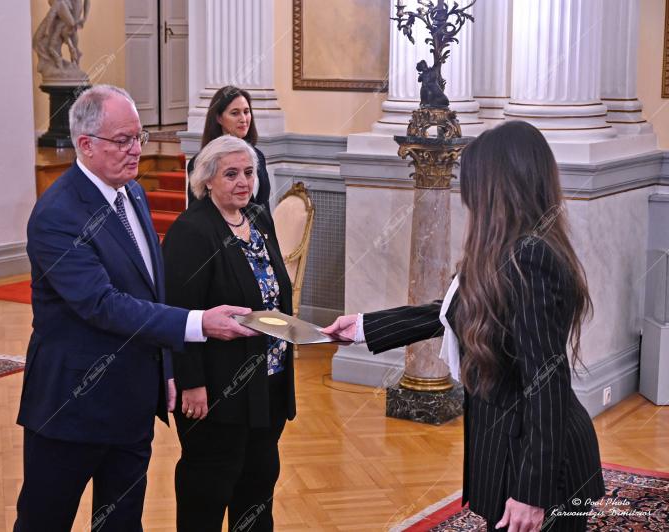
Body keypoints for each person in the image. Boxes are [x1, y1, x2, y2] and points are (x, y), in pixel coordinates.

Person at [323, 121, 605, 532]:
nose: (466, 195)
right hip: (506, 446)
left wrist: (533, 493)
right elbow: (453, 311)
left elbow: (546, 382)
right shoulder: (502, 251)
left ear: (500, 186)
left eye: (472, 182)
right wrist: (365, 327)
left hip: (534, 460)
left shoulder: (530, 260)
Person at [14, 85, 257, 532]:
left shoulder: (133, 194)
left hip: (131, 402)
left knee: (123, 523)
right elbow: (102, 305)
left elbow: (151, 291)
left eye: (139, 137)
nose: (136, 150)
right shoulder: (57, 214)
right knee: (44, 521)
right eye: (122, 140)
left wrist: (165, 368)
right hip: (72, 406)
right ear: (85, 145)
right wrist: (198, 323)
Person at [163, 135, 295, 532]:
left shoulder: (257, 217)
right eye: (231, 174)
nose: (243, 182)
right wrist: (191, 383)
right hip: (217, 389)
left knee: (258, 486)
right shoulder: (192, 231)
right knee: (208, 489)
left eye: (249, 173)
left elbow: (275, 296)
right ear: (206, 180)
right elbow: (177, 312)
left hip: (267, 381)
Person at [187, 86, 271, 212]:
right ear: (219, 118)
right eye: (235, 113)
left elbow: (264, 207)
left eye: (246, 112)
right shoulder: (200, 162)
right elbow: (196, 211)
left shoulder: (258, 156)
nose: (243, 119)